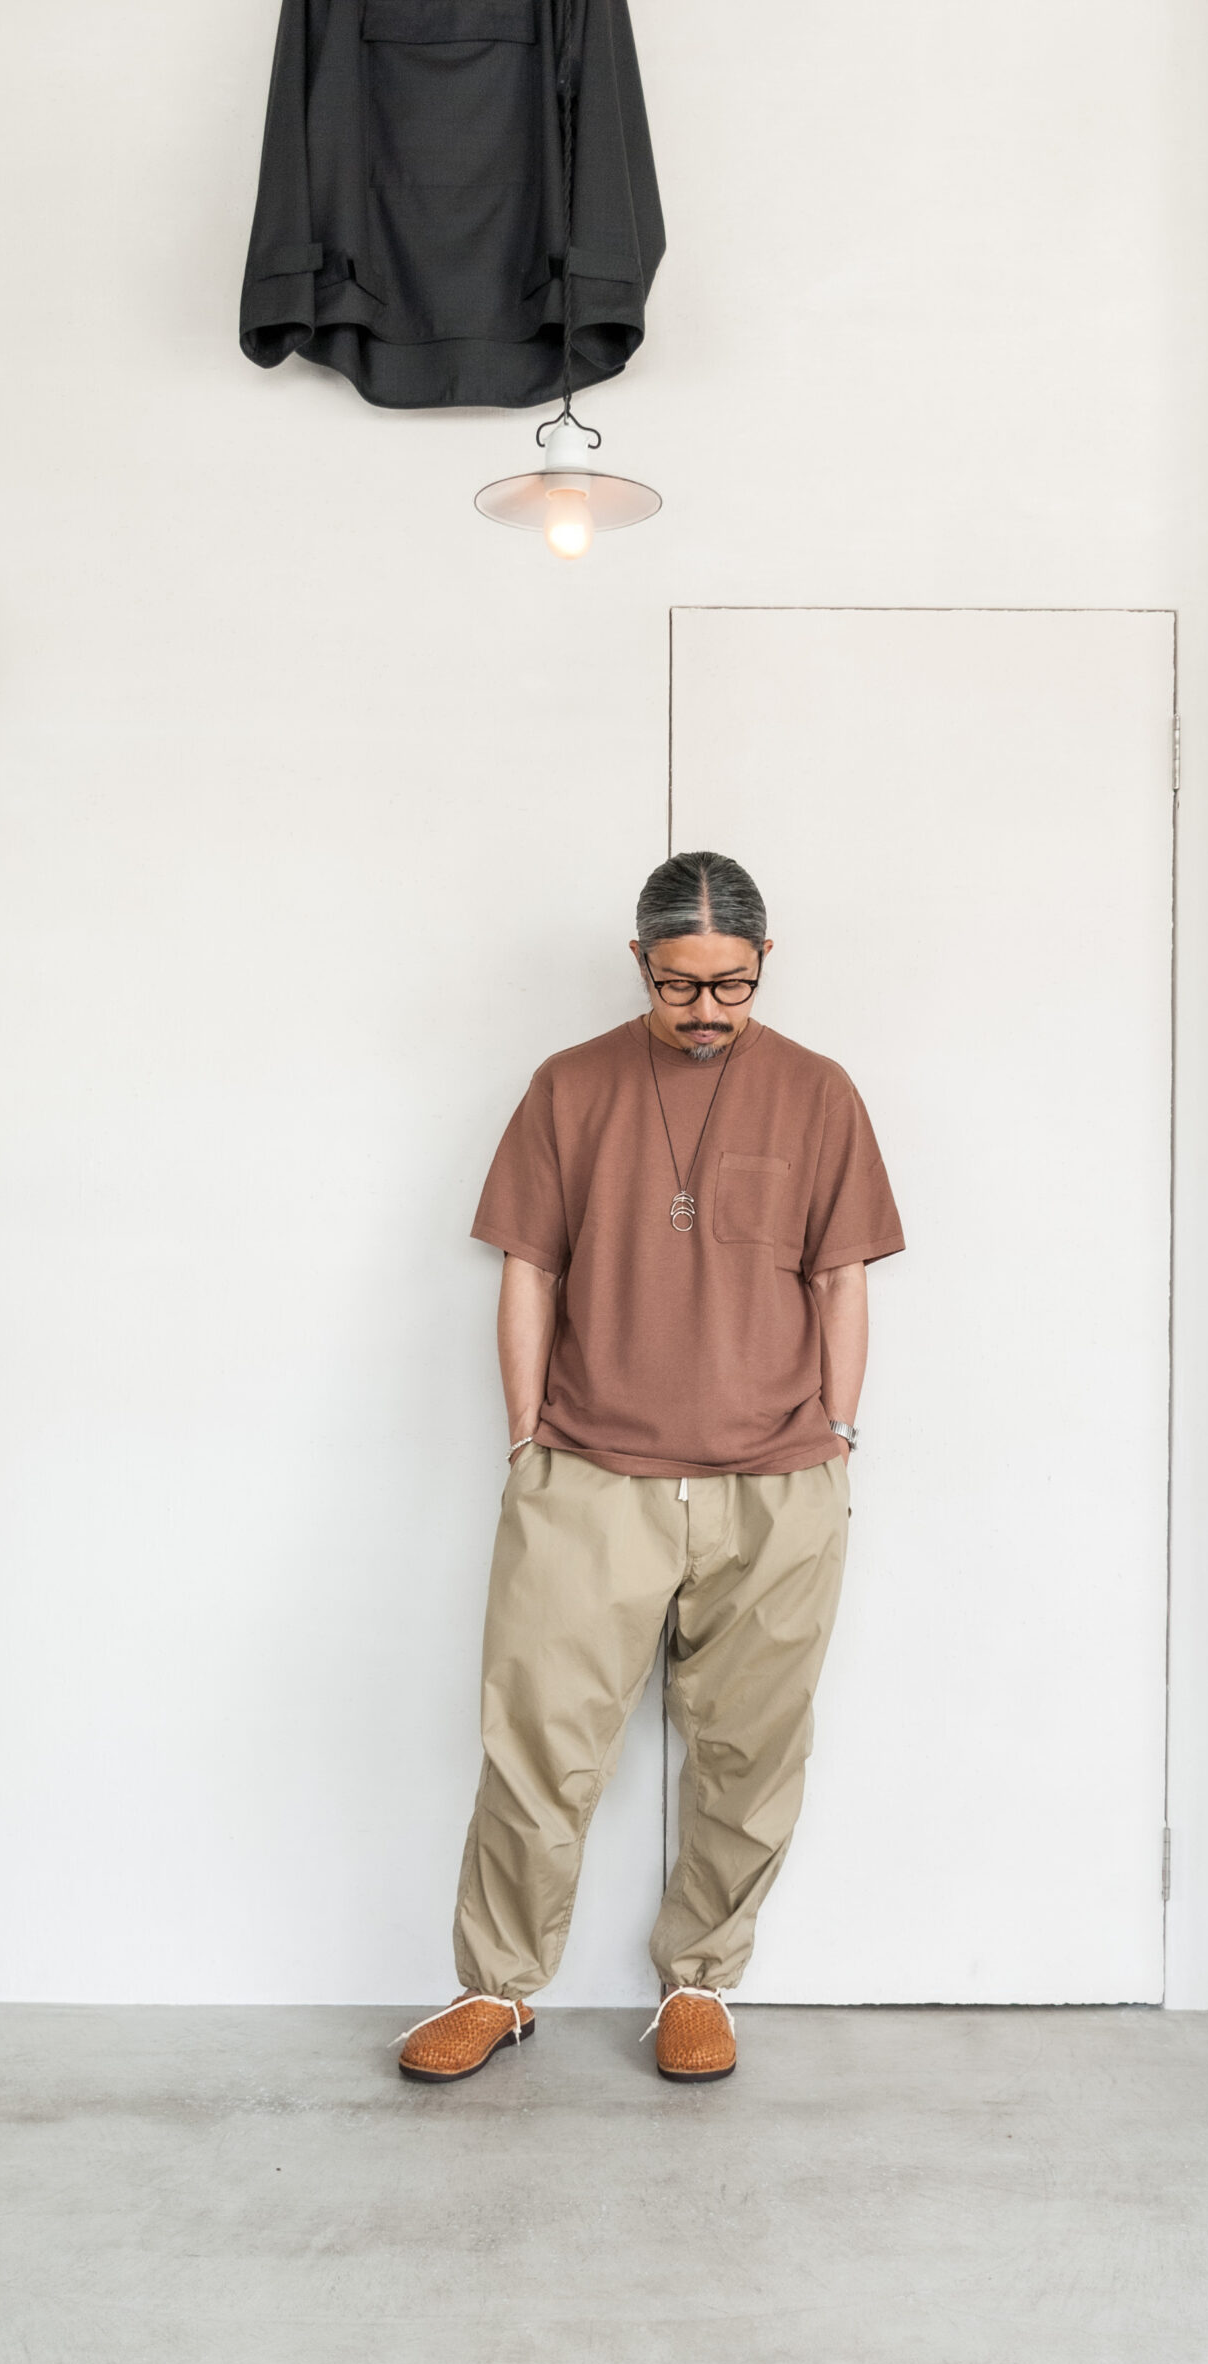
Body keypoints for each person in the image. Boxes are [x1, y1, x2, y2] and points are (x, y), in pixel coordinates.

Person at [398, 851, 904, 2086]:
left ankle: (700, 1980)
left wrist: (838, 1435)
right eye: (678, 986)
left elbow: (840, 1276)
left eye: (730, 985)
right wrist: (527, 1438)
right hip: (590, 1472)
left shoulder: (818, 1091)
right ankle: (497, 1986)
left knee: (752, 1751)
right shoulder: (569, 1087)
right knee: (536, 1743)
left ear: (764, 963)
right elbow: (530, 1267)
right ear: (639, 963)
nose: (705, 1011)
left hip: (777, 1481)